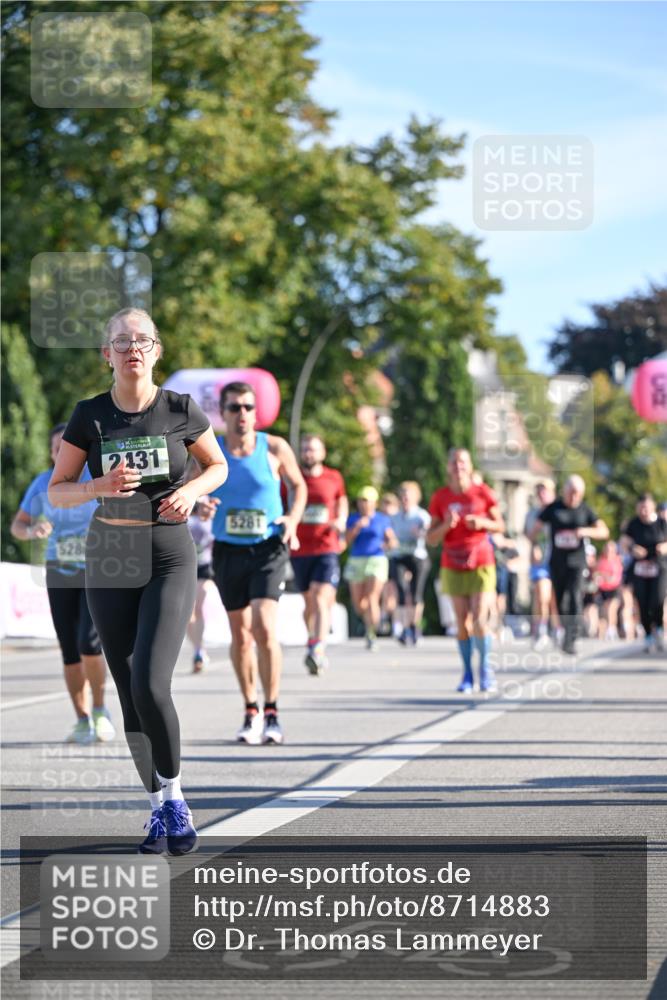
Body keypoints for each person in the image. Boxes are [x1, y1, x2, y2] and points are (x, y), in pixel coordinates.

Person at [49, 308, 227, 855]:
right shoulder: (90, 416)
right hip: (111, 556)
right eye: (121, 341)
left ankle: (176, 799)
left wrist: (193, 492)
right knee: (127, 690)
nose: (132, 349)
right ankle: (158, 807)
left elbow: (216, 466)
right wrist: (97, 485)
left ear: (157, 350)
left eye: (142, 340)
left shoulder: (179, 408)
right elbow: (59, 490)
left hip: (171, 554)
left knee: (151, 682)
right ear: (107, 353)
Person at [206, 381, 306, 745]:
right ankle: (250, 709)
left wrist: (293, 518)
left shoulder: (274, 446)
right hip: (228, 550)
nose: (242, 414)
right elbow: (190, 487)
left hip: (268, 546)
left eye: (248, 407)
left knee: (264, 628)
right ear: (224, 412)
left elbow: (298, 485)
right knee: (241, 635)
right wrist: (200, 504)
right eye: (234, 408)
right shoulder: (210, 449)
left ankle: (273, 711)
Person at [11, 424, 114, 745]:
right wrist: (31, 531)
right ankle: (82, 719)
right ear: (51, 452)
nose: (60, 454)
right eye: (55, 449)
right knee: (69, 650)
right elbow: (18, 524)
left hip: (97, 571)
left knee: (89, 643)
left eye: (65, 448)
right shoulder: (43, 484)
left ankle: (100, 710)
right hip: (59, 571)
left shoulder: (94, 481)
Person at [427, 449, 504, 693]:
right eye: (453, 462)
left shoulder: (483, 493)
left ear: (469, 466)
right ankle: (467, 673)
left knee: (480, 618)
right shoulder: (440, 497)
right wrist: (446, 526)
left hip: (481, 561)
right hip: (453, 563)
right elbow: (431, 539)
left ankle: (485, 669)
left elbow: (500, 525)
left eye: (462, 462)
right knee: (462, 621)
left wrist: (482, 524)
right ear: (448, 467)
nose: (458, 466)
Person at [530, 475, 609, 655]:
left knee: (574, 596)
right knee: (560, 601)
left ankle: (571, 638)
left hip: (577, 562)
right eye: (570, 492)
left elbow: (604, 531)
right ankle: (565, 631)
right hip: (557, 562)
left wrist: (585, 531)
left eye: (577, 494)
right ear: (564, 491)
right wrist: (535, 545)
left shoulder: (585, 510)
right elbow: (533, 531)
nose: (573, 497)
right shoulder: (553, 508)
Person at [289, 434, 347, 676]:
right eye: (305, 450)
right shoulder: (292, 479)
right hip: (301, 548)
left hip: (327, 547)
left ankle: (318, 650)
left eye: (313, 449)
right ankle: (313, 638)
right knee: (309, 602)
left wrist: (341, 519)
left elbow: (341, 500)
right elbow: (283, 505)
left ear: (322, 453)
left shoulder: (333, 477)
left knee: (321, 596)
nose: (308, 454)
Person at [344, 486, 397, 651]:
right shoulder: (353, 519)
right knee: (359, 603)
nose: (364, 504)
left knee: (372, 596)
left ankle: (371, 632)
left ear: (374, 503)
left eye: (367, 501)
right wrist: (358, 526)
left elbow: (392, 540)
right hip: (356, 560)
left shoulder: (382, 519)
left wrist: (388, 544)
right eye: (361, 500)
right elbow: (346, 540)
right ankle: (369, 620)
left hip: (376, 559)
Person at [621, 494, 667, 652]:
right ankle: (648, 635)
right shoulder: (633, 524)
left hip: (659, 568)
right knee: (642, 602)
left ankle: (659, 629)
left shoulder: (662, 523)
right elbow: (624, 542)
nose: (644, 511)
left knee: (658, 600)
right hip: (640, 569)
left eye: (646, 507)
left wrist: (664, 547)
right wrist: (633, 548)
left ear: (653, 507)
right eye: (641, 507)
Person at [389, 481, 431, 645]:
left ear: (415, 497)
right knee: (400, 589)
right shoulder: (395, 516)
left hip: (417, 556)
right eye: (403, 493)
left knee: (415, 594)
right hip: (399, 555)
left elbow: (429, 533)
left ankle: (414, 626)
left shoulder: (421, 515)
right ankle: (403, 628)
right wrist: (389, 540)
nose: (405, 497)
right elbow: (388, 534)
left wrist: (420, 533)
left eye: (409, 494)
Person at [524, 480, 556, 648]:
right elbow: (528, 535)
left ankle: (558, 629)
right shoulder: (532, 514)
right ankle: (541, 630)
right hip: (540, 561)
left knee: (555, 599)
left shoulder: (559, 511)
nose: (542, 494)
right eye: (539, 491)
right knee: (541, 595)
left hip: (558, 560)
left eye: (545, 491)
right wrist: (534, 546)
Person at [187, 504, 216, 673]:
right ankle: (198, 648)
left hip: (204, 566)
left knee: (197, 608)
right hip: (185, 566)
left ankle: (198, 651)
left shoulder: (209, 503)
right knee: (186, 614)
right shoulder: (179, 498)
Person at [594, 541, 624, 639]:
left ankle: (612, 629)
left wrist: (604, 576)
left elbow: (614, 578)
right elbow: (596, 575)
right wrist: (603, 576)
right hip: (603, 590)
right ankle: (607, 629)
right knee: (605, 610)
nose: (609, 552)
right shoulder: (601, 561)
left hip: (615, 589)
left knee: (612, 608)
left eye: (611, 550)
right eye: (607, 549)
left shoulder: (617, 561)